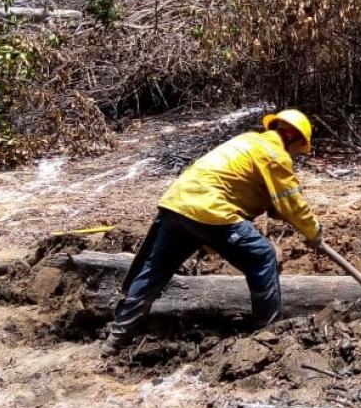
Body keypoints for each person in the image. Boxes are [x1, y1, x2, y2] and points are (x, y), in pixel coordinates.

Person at [102, 109, 323, 355]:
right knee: (262, 256)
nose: (295, 155)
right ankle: (268, 334)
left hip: (176, 204)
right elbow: (293, 203)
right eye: (298, 149)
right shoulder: (274, 154)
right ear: (292, 136)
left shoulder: (247, 141)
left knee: (156, 269)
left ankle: (116, 338)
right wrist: (315, 233)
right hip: (209, 209)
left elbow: (245, 187)